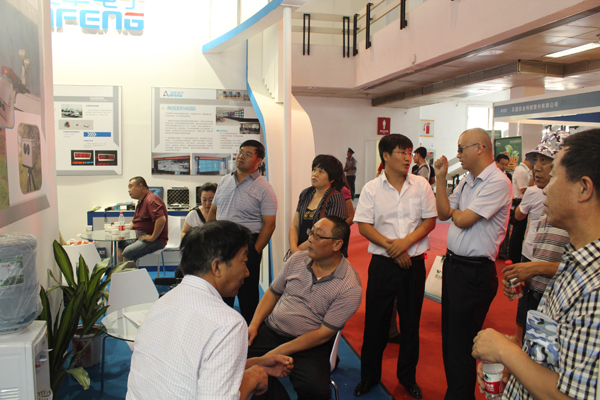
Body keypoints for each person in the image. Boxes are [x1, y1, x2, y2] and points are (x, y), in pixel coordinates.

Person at [473, 129, 600, 400]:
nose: (546, 188)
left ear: (584, 188)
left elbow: (572, 395)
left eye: (554, 176)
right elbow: (556, 357)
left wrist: (506, 352)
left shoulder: (595, 286)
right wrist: (520, 360)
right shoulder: (575, 261)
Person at [126, 221, 294, 400]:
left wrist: (255, 363)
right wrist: (251, 379)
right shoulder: (228, 324)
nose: (247, 272)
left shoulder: (162, 303)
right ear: (217, 267)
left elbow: (186, 368)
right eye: (244, 262)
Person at [353, 134, 437, 399]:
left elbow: (429, 221)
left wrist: (405, 244)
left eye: (410, 152)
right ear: (386, 156)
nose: (407, 157)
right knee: (375, 322)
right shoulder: (371, 188)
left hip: (413, 264)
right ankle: (369, 377)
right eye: (402, 152)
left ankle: (407, 378)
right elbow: (364, 225)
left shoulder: (421, 185)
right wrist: (394, 248)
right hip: (383, 265)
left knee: (411, 323)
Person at [434, 128, 512, 400]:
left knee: (460, 344)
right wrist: (440, 179)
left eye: (461, 148)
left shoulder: (497, 181)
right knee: (452, 340)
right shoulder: (468, 180)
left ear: (479, 148)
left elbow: (463, 219)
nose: (457, 154)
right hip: (455, 267)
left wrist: (458, 213)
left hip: (474, 272)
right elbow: (444, 213)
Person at [247, 216, 362, 400]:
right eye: (311, 232)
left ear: (337, 244)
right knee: (231, 361)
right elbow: (273, 293)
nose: (309, 239)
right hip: (272, 331)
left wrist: (279, 351)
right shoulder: (297, 259)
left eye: (318, 235)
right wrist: (253, 325)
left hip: (309, 345)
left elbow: (323, 334)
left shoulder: (350, 287)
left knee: (315, 390)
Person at [502, 130, 571, 344]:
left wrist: (534, 268)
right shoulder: (546, 204)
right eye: (536, 160)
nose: (537, 167)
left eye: (546, 160)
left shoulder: (576, 214)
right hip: (537, 295)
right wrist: (525, 276)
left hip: (557, 303)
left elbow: (581, 269)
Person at [208, 139, 277, 325]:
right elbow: (213, 212)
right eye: (240, 152)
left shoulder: (264, 188)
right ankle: (221, 329)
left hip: (247, 244)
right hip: (221, 242)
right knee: (220, 291)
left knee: (247, 295)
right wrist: (208, 239)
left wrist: (254, 251)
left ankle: (250, 333)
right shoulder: (224, 181)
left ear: (259, 160)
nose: (241, 156)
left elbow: (270, 224)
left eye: (247, 154)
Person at [289, 154, 347, 254]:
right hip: (299, 251)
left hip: (321, 253)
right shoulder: (306, 193)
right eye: (314, 170)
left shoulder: (335, 198)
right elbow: (295, 226)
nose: (315, 174)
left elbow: (329, 234)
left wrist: (298, 251)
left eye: (321, 171)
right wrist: (294, 248)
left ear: (332, 178)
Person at [118, 176, 168, 267]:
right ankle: (121, 272)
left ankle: (129, 275)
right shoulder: (141, 202)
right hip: (141, 237)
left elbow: (161, 220)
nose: (129, 190)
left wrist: (152, 237)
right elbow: (135, 222)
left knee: (128, 252)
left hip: (156, 240)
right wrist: (122, 230)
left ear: (140, 186)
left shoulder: (151, 200)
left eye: (131, 186)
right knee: (121, 243)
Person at [509, 158, 534, 264]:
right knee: (517, 233)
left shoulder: (523, 170)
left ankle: (514, 258)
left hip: (521, 202)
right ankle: (513, 259)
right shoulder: (522, 171)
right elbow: (523, 189)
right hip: (519, 202)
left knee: (519, 232)